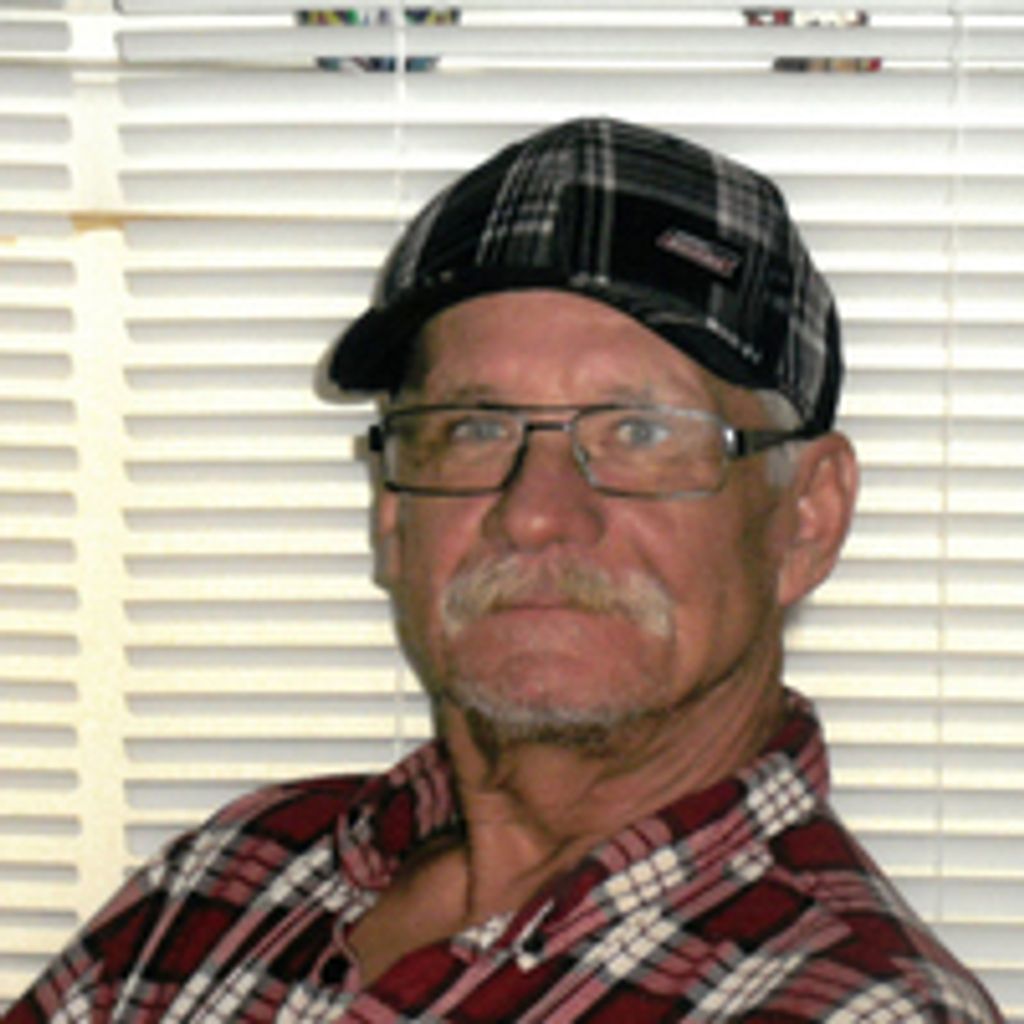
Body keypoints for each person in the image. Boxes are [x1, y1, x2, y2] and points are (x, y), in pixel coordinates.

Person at [6, 117, 1002, 1023]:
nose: (534, 514)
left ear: (807, 518)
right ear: (393, 516)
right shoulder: (229, 880)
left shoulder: (850, 1006)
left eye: (639, 431)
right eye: (474, 427)